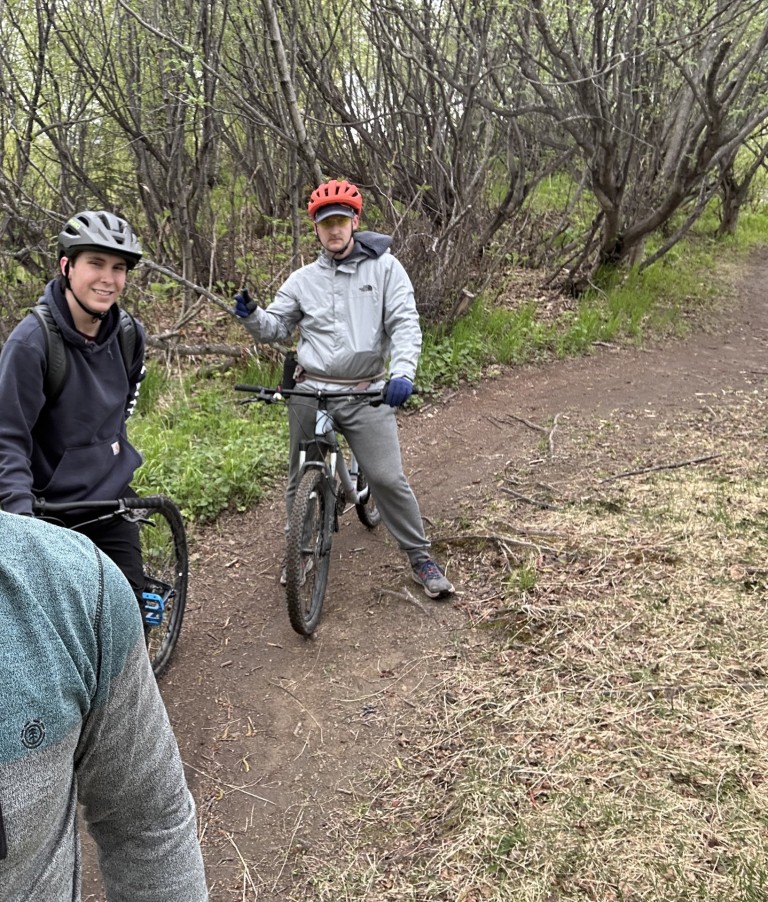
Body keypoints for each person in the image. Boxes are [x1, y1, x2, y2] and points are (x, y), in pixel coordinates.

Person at [233, 178, 454, 599]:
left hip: (366, 391)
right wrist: (252, 315)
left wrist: (402, 372)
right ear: (315, 227)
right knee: (300, 476)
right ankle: (299, 550)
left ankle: (420, 556)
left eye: (340, 220)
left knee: (387, 477)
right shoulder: (302, 279)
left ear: (355, 221)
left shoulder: (386, 268)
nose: (333, 229)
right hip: (310, 390)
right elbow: (277, 327)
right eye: (324, 222)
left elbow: (405, 324)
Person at [0, 509, 208, 900]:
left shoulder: (76, 582)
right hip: (51, 510)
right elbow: (12, 454)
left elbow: (149, 825)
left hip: (108, 512)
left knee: (124, 619)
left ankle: (112, 705)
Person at [0, 210, 147, 604]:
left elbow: (125, 402)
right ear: (67, 266)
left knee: (128, 611)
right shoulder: (31, 344)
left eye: (118, 268)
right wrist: (21, 525)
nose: (108, 278)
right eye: (95, 263)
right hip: (49, 510)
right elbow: (7, 439)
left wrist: (109, 450)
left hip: (109, 500)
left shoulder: (130, 335)